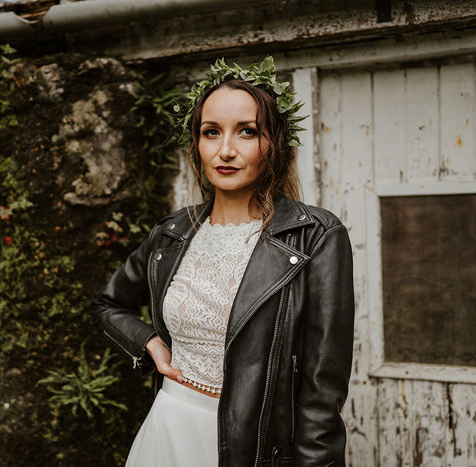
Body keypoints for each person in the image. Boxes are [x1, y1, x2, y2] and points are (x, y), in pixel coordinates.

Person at [91, 56, 354, 467]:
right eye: (211, 132)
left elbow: (323, 391)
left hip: (255, 449)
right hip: (169, 429)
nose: (225, 150)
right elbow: (108, 304)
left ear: (276, 143)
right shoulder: (172, 233)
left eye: (247, 132)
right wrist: (149, 344)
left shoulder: (316, 235)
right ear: (197, 143)